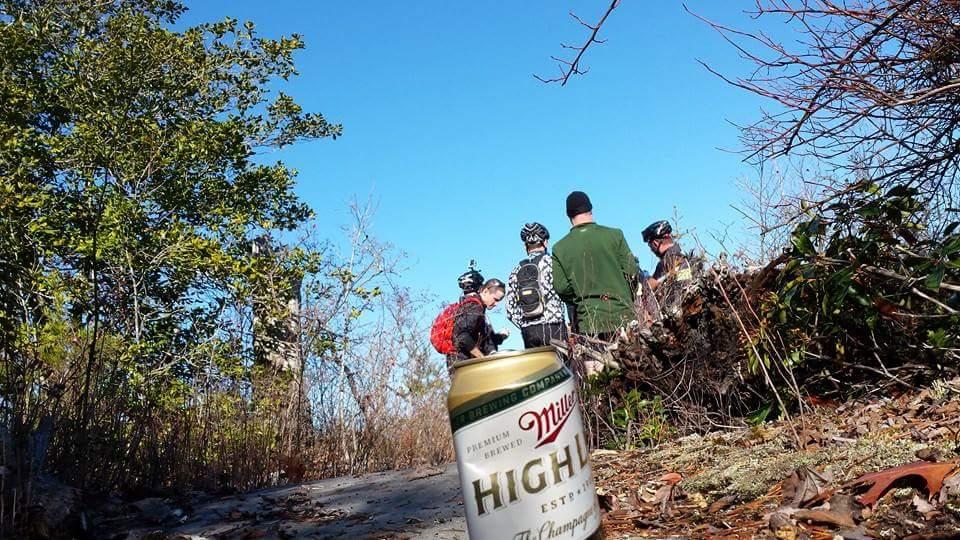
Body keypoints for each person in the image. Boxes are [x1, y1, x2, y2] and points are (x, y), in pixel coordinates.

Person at [552, 191, 639, 340]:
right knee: (633, 362)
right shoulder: (615, 235)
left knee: (596, 363)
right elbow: (632, 271)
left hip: (590, 322)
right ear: (590, 209)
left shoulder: (559, 248)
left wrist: (581, 300)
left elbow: (561, 287)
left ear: (568, 216)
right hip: (623, 317)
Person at [506, 222, 567, 349]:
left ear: (525, 246)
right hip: (554, 326)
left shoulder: (515, 271)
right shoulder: (553, 264)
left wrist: (524, 324)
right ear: (545, 242)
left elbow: (510, 309)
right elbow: (565, 290)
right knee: (560, 366)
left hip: (529, 332)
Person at [450, 275, 509, 365]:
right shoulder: (474, 307)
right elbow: (462, 336)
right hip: (462, 363)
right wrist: (482, 358)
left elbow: (484, 340)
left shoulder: (478, 307)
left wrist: (500, 337)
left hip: (462, 361)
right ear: (485, 292)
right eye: (495, 299)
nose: (496, 304)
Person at [642, 220, 692, 290]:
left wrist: (643, 277)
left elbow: (648, 288)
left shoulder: (666, 261)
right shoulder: (681, 256)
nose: (651, 250)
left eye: (651, 247)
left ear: (655, 243)